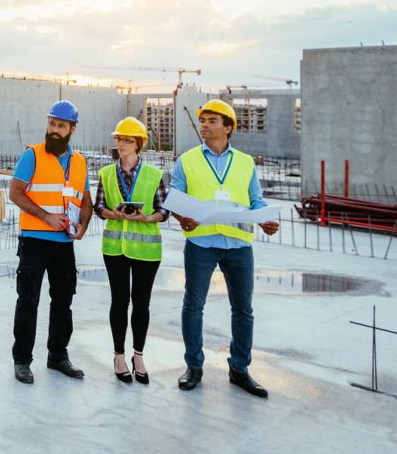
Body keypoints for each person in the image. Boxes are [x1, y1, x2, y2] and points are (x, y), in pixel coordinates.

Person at [171, 99, 280, 397]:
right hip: (201, 243)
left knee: (243, 310)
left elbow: (255, 199)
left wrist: (266, 219)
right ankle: (193, 366)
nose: (204, 125)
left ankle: (240, 369)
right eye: (202, 120)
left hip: (238, 246)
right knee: (193, 306)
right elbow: (174, 197)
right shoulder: (188, 160)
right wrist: (183, 218)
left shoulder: (245, 162)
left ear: (228, 127)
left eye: (211, 121)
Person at [6, 100, 92, 384]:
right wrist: (45, 216)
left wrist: (82, 225)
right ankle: (22, 361)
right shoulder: (32, 155)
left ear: (72, 129)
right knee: (28, 301)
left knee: (63, 301)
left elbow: (86, 201)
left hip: (64, 243)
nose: (54, 130)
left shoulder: (80, 163)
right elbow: (15, 193)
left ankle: (57, 356)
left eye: (61, 125)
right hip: (34, 241)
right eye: (52, 123)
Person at [93, 117, 168, 384]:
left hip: (146, 251)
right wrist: (110, 213)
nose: (121, 144)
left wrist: (147, 218)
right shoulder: (106, 174)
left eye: (127, 140)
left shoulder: (154, 175)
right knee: (119, 301)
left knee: (141, 303)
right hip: (115, 248)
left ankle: (138, 355)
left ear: (138, 144)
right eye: (118, 139)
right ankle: (119, 356)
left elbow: (163, 210)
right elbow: (98, 207)